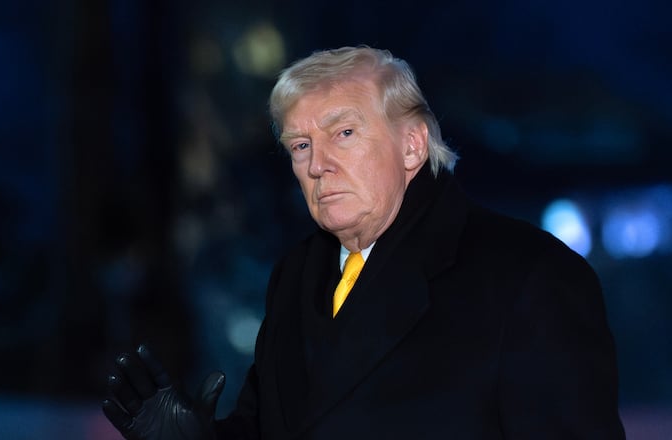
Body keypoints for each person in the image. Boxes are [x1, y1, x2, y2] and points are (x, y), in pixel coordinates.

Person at [102, 46, 626, 439]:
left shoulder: (531, 276)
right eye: (301, 145)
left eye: (344, 133)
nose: (316, 164)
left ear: (412, 145)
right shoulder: (297, 275)